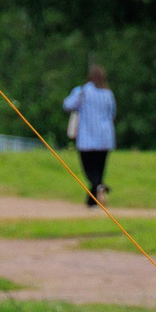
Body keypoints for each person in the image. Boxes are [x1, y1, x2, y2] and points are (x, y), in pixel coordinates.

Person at [61, 65, 116, 208]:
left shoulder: (83, 91)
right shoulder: (108, 94)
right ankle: (92, 201)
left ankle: (98, 187)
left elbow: (67, 105)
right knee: (99, 169)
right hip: (105, 137)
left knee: (90, 171)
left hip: (87, 138)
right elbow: (112, 114)